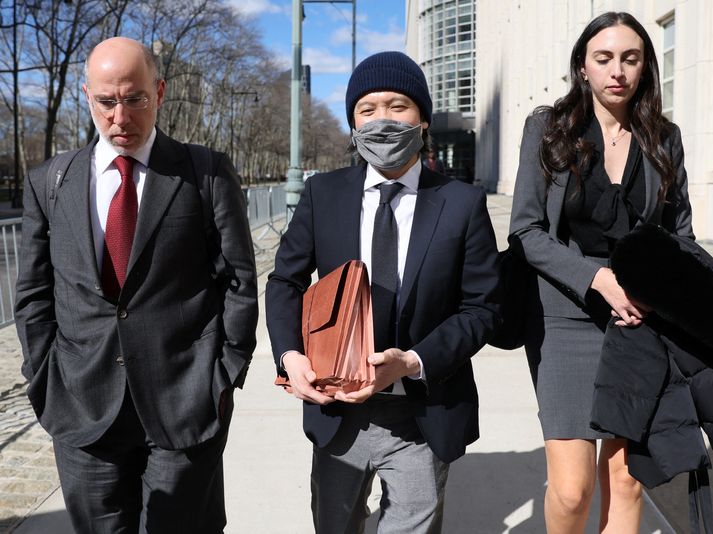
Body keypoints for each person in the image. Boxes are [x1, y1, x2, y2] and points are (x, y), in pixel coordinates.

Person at [14, 37, 258, 533]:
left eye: (134, 99)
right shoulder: (49, 182)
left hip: (185, 403)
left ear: (160, 92)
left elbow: (239, 281)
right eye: (106, 101)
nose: (119, 117)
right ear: (87, 95)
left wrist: (224, 376)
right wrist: (44, 377)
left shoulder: (205, 173)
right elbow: (34, 293)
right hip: (83, 408)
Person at [265, 51, 500, 533]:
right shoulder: (322, 195)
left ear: (424, 119)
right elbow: (284, 282)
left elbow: (483, 309)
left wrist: (412, 361)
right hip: (338, 410)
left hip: (422, 412)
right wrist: (290, 355)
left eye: (398, 106)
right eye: (367, 109)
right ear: (353, 123)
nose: (383, 121)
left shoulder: (462, 204)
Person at [508, 12, 693, 534]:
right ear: (583, 67)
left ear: (645, 68)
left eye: (630, 59)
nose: (618, 71)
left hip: (639, 321)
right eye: (604, 58)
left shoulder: (664, 138)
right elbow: (525, 232)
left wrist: (666, 295)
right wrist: (598, 279)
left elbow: (681, 235)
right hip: (565, 316)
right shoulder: (548, 128)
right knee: (571, 492)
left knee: (627, 479)